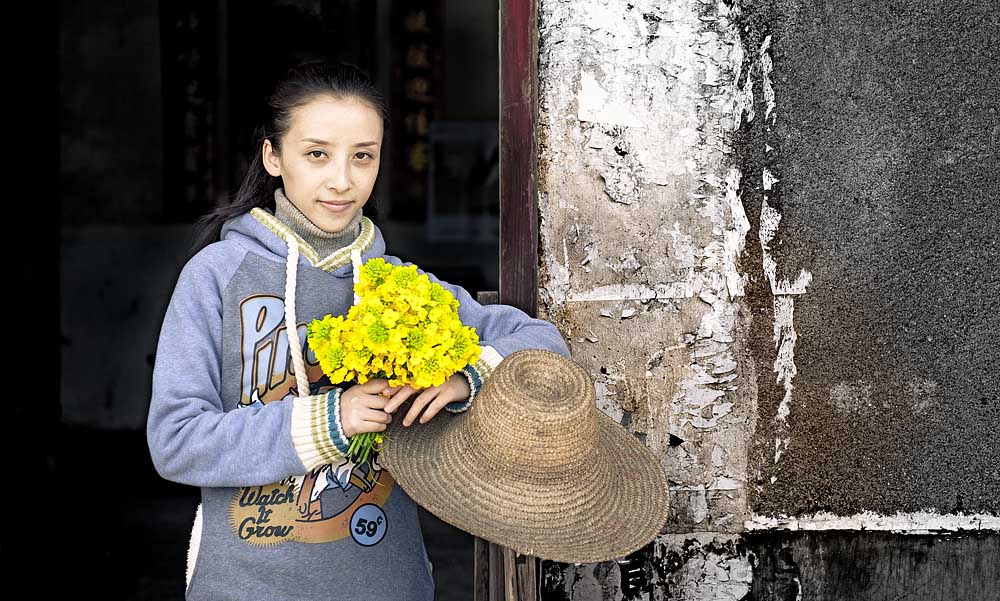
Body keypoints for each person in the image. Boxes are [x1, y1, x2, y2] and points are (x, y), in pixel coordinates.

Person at [145, 60, 571, 601]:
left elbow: (543, 343)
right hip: (247, 586)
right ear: (273, 157)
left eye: (363, 157)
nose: (342, 180)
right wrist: (331, 419)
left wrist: (465, 376)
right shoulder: (217, 277)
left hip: (389, 584)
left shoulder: (397, 287)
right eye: (316, 154)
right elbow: (176, 441)